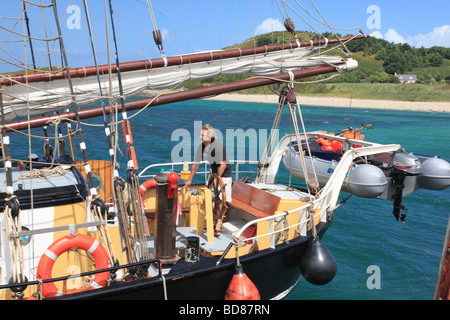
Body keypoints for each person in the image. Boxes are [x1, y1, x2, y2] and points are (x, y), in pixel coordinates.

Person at [185, 124, 232, 235]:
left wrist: (216, 179)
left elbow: (223, 164)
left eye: (202, 135)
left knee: (220, 199)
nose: (200, 137)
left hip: (224, 174)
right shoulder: (201, 147)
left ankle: (218, 223)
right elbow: (196, 164)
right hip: (214, 173)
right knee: (209, 197)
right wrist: (190, 179)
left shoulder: (217, 147)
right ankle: (212, 220)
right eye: (200, 135)